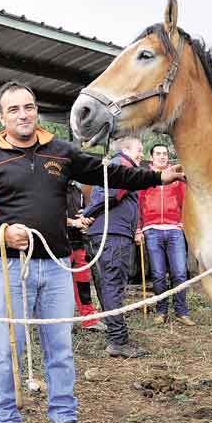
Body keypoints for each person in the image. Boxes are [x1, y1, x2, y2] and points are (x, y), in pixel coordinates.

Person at [0, 83, 183, 423]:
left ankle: (63, 415)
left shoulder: (60, 152)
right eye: (14, 109)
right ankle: (7, 421)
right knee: (7, 348)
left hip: (57, 266)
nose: (23, 114)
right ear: (1, 117)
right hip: (10, 267)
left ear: (36, 110)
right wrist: (0, 232)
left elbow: (110, 175)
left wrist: (157, 177)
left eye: (28, 107)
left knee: (59, 346)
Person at [84, 136, 146, 358]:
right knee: (113, 285)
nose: (142, 154)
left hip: (109, 233)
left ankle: (115, 336)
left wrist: (88, 214)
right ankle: (118, 340)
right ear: (126, 150)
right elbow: (111, 194)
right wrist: (87, 214)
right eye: (139, 149)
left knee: (108, 285)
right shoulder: (123, 166)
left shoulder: (116, 166)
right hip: (113, 235)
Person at [137, 144, 195, 326]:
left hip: (174, 229)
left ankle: (181, 311)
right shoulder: (145, 177)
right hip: (152, 230)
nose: (162, 156)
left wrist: (183, 223)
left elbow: (185, 202)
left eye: (164, 154)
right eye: (158, 154)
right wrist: (138, 229)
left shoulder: (176, 177)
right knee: (158, 274)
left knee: (180, 273)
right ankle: (161, 311)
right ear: (151, 157)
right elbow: (137, 204)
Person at [66, 180, 103, 331]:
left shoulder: (77, 189)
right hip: (59, 244)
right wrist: (74, 223)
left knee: (83, 281)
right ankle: (60, 322)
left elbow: (81, 211)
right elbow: (50, 216)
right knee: (59, 285)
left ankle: (89, 319)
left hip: (78, 242)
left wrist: (86, 220)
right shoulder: (52, 187)